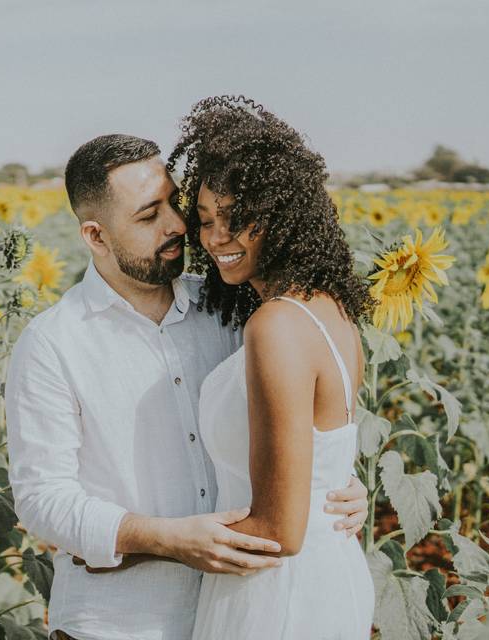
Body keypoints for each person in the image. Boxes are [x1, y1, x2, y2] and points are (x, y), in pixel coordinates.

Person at [4, 132, 369, 640]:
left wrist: (336, 486)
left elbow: (303, 406)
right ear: (95, 235)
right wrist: (163, 539)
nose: (178, 226)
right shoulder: (53, 343)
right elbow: (43, 498)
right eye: (148, 216)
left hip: (242, 608)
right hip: (121, 622)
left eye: (175, 203)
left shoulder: (232, 307)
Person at [164, 95, 376, 638]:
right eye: (205, 221)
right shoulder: (329, 309)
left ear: (282, 215)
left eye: (236, 219)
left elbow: (278, 532)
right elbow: (322, 465)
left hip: (277, 594)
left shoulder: (276, 325)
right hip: (324, 576)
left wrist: (142, 547)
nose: (215, 239)